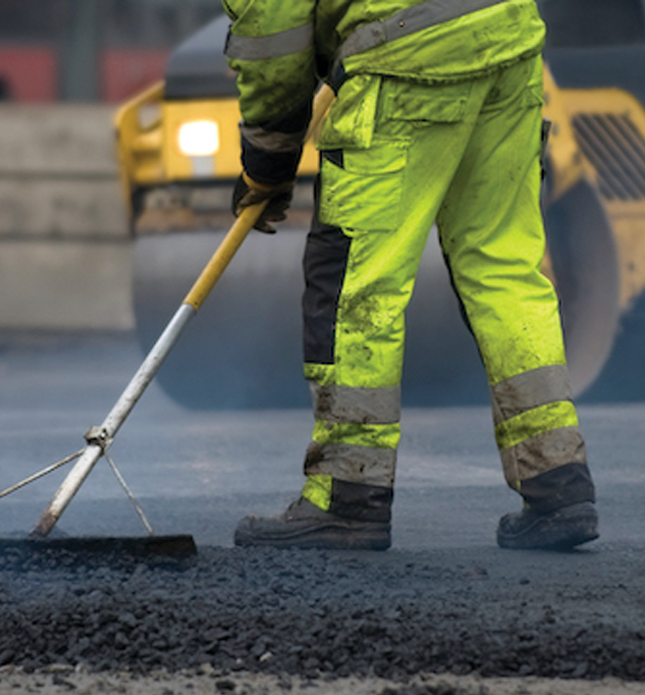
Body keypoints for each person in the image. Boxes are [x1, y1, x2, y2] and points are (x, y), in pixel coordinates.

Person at [225, 0, 597, 550]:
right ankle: (558, 482)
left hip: (406, 62)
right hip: (506, 38)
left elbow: (271, 33)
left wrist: (268, 161)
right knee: (503, 268)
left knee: (358, 285)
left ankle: (349, 497)